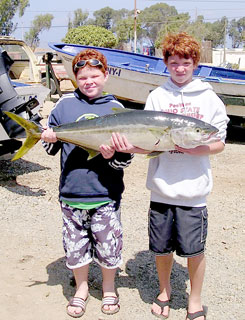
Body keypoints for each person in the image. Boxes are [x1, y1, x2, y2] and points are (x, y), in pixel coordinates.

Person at [110, 32, 229, 320]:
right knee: (161, 249)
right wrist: (125, 147)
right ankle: (164, 291)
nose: (179, 67)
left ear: (195, 63)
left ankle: (195, 301)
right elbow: (148, 141)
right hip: (161, 189)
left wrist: (196, 148)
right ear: (165, 63)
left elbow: (219, 142)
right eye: (173, 62)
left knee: (194, 250)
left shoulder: (210, 98)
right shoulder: (157, 96)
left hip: (194, 192)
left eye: (185, 62)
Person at [41, 48, 134, 318]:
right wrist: (47, 138)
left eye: (95, 75)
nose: (89, 81)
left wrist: (111, 156)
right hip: (71, 192)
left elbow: (125, 160)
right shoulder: (64, 106)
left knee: (108, 245)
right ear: (75, 79)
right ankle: (81, 288)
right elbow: (52, 151)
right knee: (75, 246)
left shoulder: (117, 108)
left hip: (105, 193)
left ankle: (108, 287)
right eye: (83, 77)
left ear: (105, 75)